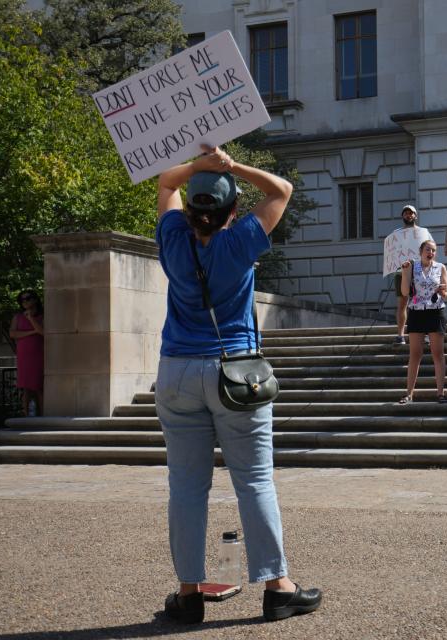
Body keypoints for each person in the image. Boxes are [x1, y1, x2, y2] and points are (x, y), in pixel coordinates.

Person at [155, 146, 321, 624]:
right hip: (235, 374)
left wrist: (196, 168)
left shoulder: (173, 236)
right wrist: (232, 166)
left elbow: (166, 184)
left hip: (178, 370)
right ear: (232, 212)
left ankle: (188, 595)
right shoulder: (241, 240)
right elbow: (282, 190)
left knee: (186, 487)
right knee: (253, 481)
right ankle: (278, 587)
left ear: (190, 211)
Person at [399, 239, 447, 404]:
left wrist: (441, 291)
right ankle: (409, 394)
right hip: (417, 312)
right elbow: (405, 292)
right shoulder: (412, 266)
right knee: (415, 354)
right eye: (428, 249)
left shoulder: (440, 267)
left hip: (435, 311)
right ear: (421, 251)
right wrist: (405, 273)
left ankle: (440, 393)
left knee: (438, 353)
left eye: (434, 250)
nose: (431, 253)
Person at [392, 205, 432, 344]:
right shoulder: (395, 233)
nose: (409, 215)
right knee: (402, 302)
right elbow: (392, 252)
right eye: (406, 213)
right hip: (401, 272)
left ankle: (425, 333)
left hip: (419, 271)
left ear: (416, 216)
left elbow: (430, 249)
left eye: (411, 213)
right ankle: (400, 335)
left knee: (422, 302)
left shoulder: (424, 232)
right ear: (402, 216)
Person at [9, 290, 44, 416]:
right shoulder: (17, 317)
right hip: (24, 355)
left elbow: (42, 332)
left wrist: (31, 319)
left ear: (35, 299)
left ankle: (44, 414)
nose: (25, 302)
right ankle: (25, 414)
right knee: (26, 386)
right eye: (22, 300)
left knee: (39, 386)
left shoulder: (42, 316)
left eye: (28, 298)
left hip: (38, 354)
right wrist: (31, 332)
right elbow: (12, 334)